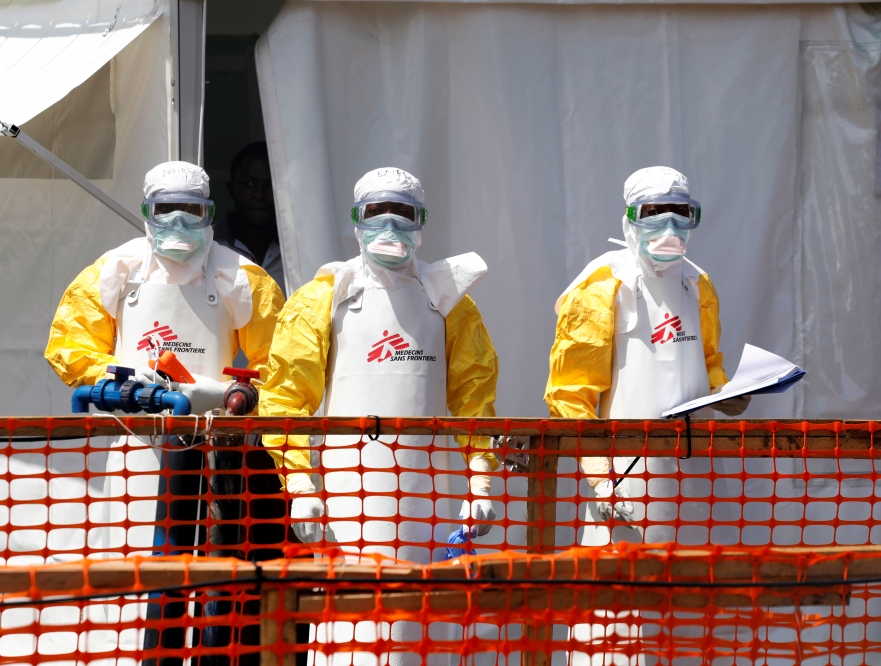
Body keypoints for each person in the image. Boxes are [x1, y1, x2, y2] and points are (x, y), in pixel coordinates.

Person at [258, 167, 500, 666]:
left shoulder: (451, 303)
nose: (390, 228)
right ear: (356, 221)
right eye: (375, 214)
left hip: (427, 494)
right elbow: (285, 400)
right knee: (352, 629)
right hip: (351, 497)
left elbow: (475, 401)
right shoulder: (321, 299)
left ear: (422, 222)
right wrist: (300, 486)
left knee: (423, 630)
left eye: (404, 215)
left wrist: (481, 483)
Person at [44, 160, 283, 664]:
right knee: (136, 577)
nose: (178, 223)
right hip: (136, 447)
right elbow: (71, 346)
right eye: (165, 210)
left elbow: (279, 366)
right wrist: (120, 379)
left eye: (190, 211)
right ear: (146, 213)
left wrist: (229, 393)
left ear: (210, 213)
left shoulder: (242, 277)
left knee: (216, 579)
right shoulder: (116, 269)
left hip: (216, 447)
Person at [544, 166, 748, 666]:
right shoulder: (603, 287)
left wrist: (729, 394)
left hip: (690, 480)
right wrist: (600, 480)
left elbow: (709, 364)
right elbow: (570, 395)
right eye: (654, 216)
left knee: (682, 619)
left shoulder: (697, 284)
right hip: (623, 484)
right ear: (630, 219)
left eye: (682, 217)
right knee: (616, 621)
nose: (670, 231)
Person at [213, 142, 285, 289]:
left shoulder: (297, 248)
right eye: (249, 184)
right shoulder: (209, 245)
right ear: (231, 190)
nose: (259, 194)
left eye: (270, 184)